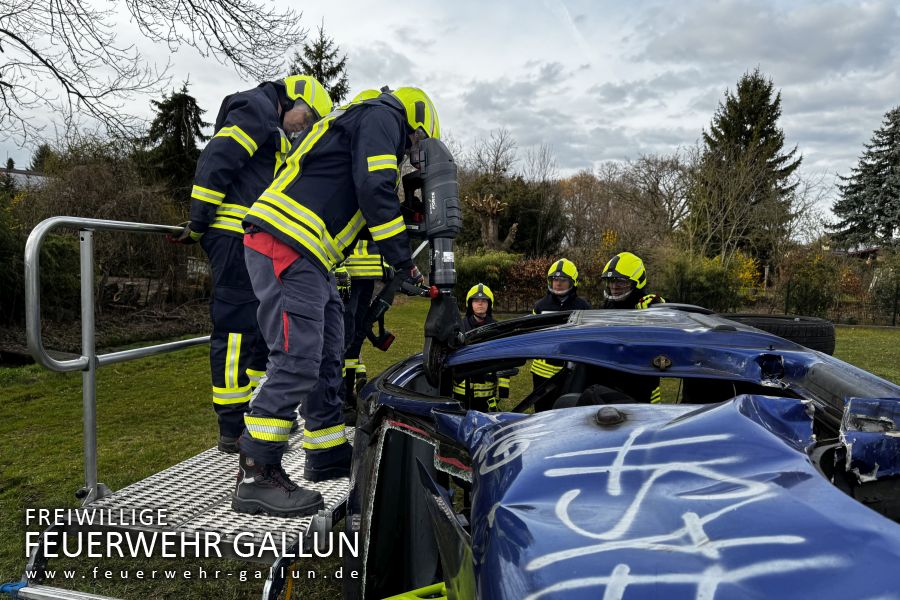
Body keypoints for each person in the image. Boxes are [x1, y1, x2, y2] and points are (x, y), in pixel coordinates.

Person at [234, 87, 440, 517]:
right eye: (415, 148)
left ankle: (324, 451)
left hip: (309, 252)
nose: (410, 158)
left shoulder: (363, 121)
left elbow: (360, 198)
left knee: (330, 354)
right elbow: (373, 186)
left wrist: (403, 232)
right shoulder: (386, 114)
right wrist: (402, 260)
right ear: (417, 123)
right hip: (287, 242)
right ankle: (256, 472)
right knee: (297, 357)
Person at [170, 75, 333, 455]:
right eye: (306, 122)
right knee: (236, 330)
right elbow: (219, 158)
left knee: (260, 328)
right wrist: (198, 220)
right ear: (295, 101)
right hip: (232, 234)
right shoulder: (257, 108)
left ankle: (258, 410)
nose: (302, 131)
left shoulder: (267, 119)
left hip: (251, 237)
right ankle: (231, 424)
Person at [599, 251, 666, 403]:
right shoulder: (609, 305)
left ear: (638, 281)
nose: (613, 286)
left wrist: (659, 305)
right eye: (610, 281)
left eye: (620, 281)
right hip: (611, 380)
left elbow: (671, 316)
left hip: (641, 384)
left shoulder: (647, 304)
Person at [530, 258, 591, 410]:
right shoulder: (540, 306)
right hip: (542, 373)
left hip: (572, 371)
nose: (558, 283)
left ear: (573, 282)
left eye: (563, 280)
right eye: (554, 279)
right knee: (542, 412)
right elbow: (532, 336)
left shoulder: (583, 307)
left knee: (568, 409)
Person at [452, 284, 509, 411]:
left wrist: (504, 389)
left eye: (484, 301)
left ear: (489, 304)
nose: (480, 304)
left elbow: (504, 358)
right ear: (470, 304)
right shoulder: (460, 326)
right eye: (476, 300)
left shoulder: (496, 328)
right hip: (462, 389)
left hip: (487, 392)